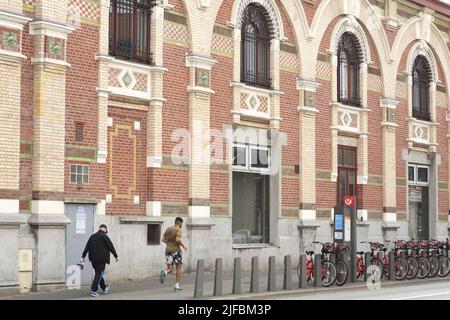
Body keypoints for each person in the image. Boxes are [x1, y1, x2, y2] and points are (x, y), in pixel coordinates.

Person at [80, 224, 118, 297]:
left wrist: (83, 256)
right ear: (105, 229)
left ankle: (104, 288)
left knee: (99, 273)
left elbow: (87, 247)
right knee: (99, 274)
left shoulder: (92, 236)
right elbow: (111, 246)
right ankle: (93, 291)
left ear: (99, 228)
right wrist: (115, 255)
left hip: (93, 260)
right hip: (102, 259)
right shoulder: (105, 236)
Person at [160, 217, 188, 291]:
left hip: (168, 251)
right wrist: (183, 246)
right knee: (178, 268)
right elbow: (177, 239)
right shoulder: (178, 230)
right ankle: (177, 286)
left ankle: (164, 272)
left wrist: (169, 243)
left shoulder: (168, 229)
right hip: (176, 251)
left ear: (175, 222)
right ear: (180, 223)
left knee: (170, 269)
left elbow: (163, 239)